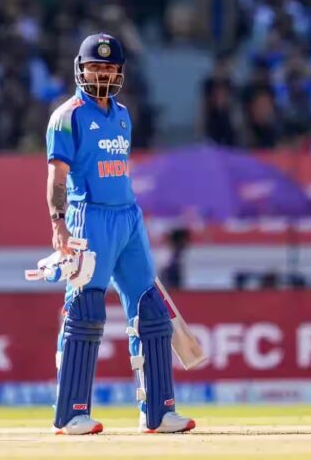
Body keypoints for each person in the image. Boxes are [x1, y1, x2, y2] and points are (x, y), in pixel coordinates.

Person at [45, 33, 195, 435]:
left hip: (128, 217)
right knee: (86, 310)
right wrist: (59, 223)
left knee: (151, 309)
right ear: (81, 69)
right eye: (95, 67)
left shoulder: (124, 115)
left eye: (109, 68)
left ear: (120, 73)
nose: (102, 74)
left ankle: (158, 412)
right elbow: (56, 176)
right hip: (88, 217)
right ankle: (71, 413)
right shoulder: (67, 116)